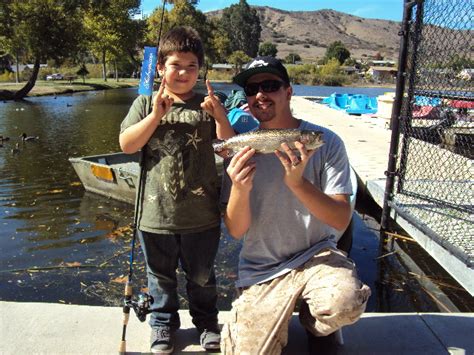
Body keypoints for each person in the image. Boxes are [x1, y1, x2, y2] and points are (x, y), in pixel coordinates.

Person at [219, 56, 371, 355]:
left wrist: (297, 182)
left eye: (270, 85)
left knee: (345, 302)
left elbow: (341, 219)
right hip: (262, 265)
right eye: (252, 89)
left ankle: (317, 323)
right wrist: (239, 186)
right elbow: (236, 231)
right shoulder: (241, 148)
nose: (260, 94)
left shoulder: (327, 142)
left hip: (318, 255)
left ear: (289, 92)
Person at [119, 26, 234, 354]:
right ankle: (163, 325)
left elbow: (228, 148)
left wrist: (221, 116)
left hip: (202, 216)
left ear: (200, 69)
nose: (183, 72)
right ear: (160, 68)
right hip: (155, 216)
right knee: (160, 278)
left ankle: (207, 323)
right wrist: (156, 114)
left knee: (202, 277)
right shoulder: (144, 103)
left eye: (191, 66)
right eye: (175, 65)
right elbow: (127, 144)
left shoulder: (208, 105)